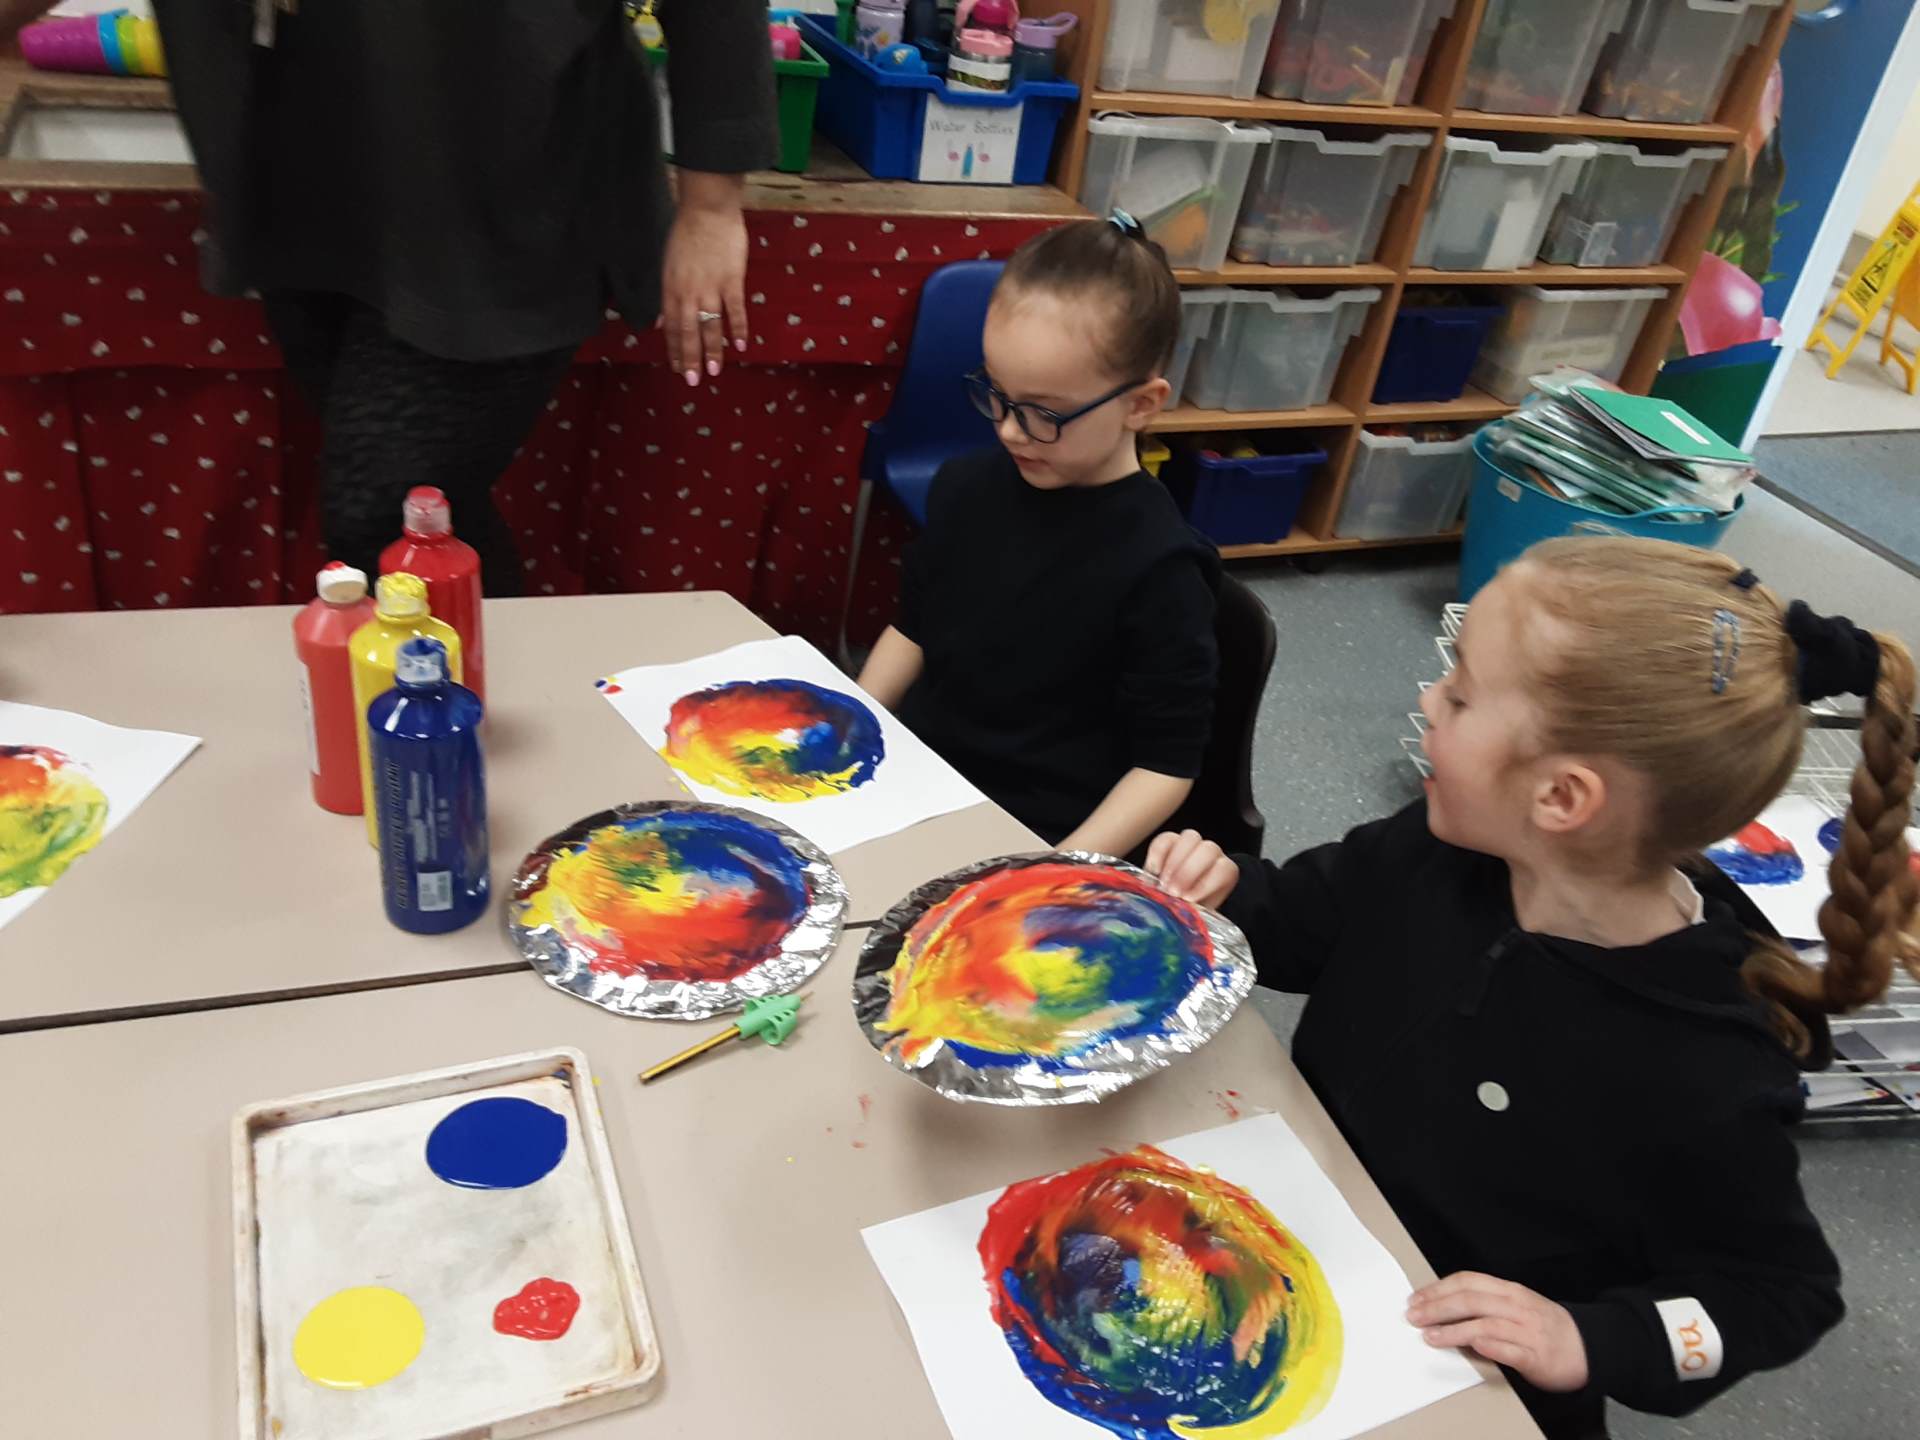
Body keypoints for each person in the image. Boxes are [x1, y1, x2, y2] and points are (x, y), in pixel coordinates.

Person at [1149, 537, 1919, 1440]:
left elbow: (1780, 1294)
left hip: (1444, 1375)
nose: (1428, 700)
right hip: (1288, 1229)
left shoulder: (1704, 1063)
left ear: (1561, 798)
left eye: (1461, 694)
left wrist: (1589, 1338)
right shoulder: (1437, 850)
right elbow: (1298, 921)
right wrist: (1222, 895)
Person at [0, 0, 776, 592]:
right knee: (422, 515)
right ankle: (466, 716)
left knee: (383, 512)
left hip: (505, 172)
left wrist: (711, 204)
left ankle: (470, 724)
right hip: (307, 163)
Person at [858, 217, 1219, 858]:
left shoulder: (1161, 567)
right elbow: (912, 630)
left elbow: (1165, 767)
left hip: (1041, 830)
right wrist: (852, 725)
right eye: (997, 394)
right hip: (924, 783)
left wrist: (1052, 870)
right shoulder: (965, 488)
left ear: (1141, 404)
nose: (1009, 430)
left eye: (1043, 413)